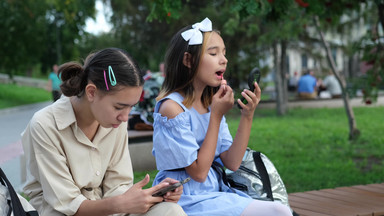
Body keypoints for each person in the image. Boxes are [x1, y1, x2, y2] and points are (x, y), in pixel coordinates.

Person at [151, 17, 292, 216]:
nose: (224, 60)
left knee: (280, 210)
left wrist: (247, 114)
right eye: (213, 53)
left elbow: (232, 162)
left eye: (224, 53)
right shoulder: (171, 108)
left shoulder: (210, 105)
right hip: (184, 198)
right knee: (279, 212)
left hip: (215, 192)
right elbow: (199, 173)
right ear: (188, 60)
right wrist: (216, 116)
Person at [21, 48, 186, 216]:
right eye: (119, 107)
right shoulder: (45, 124)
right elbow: (68, 205)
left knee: (171, 211)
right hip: (61, 212)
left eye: (131, 107)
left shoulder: (114, 121)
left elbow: (117, 186)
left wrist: (150, 198)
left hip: (109, 207)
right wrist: (122, 204)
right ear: (91, 92)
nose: (125, 117)